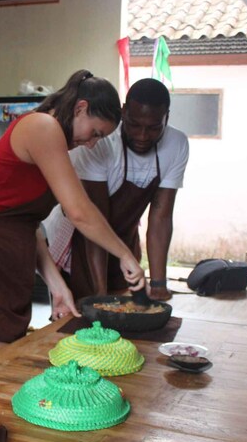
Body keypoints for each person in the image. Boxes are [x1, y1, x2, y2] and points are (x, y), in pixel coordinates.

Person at [0, 70, 146, 364]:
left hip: (3, 266)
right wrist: (125, 255)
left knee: (7, 375)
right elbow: (79, 212)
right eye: (95, 133)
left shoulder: (51, 136)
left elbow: (29, 226)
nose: (92, 143)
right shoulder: (42, 127)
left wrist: (57, 286)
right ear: (81, 108)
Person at [43, 78, 189, 301]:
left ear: (166, 117)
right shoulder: (100, 140)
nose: (142, 136)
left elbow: (161, 217)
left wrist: (158, 284)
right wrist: (100, 295)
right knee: (84, 316)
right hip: (81, 240)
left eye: (153, 128)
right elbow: (93, 219)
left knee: (126, 312)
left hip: (124, 242)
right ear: (124, 112)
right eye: (134, 125)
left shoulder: (176, 144)